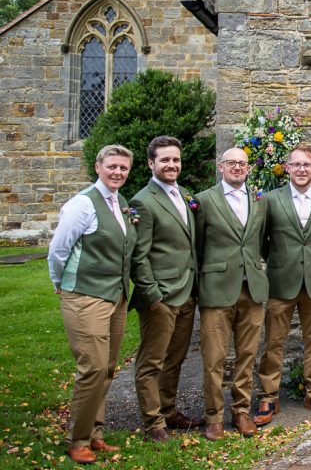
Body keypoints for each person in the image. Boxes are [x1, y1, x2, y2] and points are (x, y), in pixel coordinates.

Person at [48, 145, 136, 465]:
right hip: (85, 296)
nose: (118, 172)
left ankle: (95, 433)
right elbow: (58, 250)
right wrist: (60, 283)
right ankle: (78, 439)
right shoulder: (82, 204)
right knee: (93, 368)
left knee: (108, 368)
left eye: (123, 168)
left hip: (115, 296)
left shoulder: (121, 203)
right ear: (98, 166)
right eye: (112, 166)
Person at [254, 144, 311, 426]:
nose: (302, 169)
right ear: (287, 168)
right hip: (281, 280)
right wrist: (280, 261)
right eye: (297, 165)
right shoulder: (270, 199)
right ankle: (268, 395)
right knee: (274, 340)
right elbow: (262, 240)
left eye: (307, 165)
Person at [128, 136, 203, 443]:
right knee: (151, 361)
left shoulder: (185, 195)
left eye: (176, 160)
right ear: (151, 164)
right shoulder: (143, 202)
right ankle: (153, 422)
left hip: (187, 292)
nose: (172, 165)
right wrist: (152, 295)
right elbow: (139, 255)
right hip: (161, 297)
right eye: (165, 160)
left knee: (175, 358)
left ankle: (169, 410)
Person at [194, 147, 269, 440]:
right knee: (214, 357)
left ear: (248, 168)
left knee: (247, 355)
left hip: (251, 287)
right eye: (231, 163)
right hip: (217, 288)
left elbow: (261, 240)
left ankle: (241, 412)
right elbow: (197, 246)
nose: (237, 167)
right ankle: (213, 417)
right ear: (220, 167)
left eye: (242, 163)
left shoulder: (258, 201)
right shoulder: (204, 200)